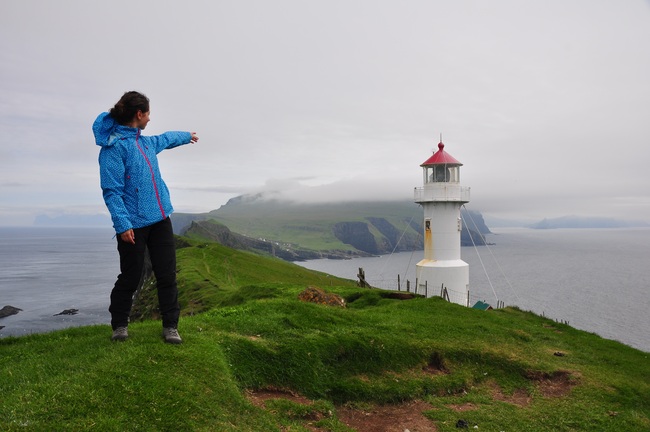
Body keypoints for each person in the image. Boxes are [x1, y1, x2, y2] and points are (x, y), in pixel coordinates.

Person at [93, 91, 199, 343]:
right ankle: (119, 325)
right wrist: (122, 224)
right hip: (132, 225)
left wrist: (186, 136)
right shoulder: (113, 148)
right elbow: (111, 191)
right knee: (130, 276)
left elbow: (166, 139)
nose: (150, 118)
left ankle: (170, 326)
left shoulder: (146, 143)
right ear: (138, 114)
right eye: (148, 113)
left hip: (160, 218)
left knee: (166, 274)